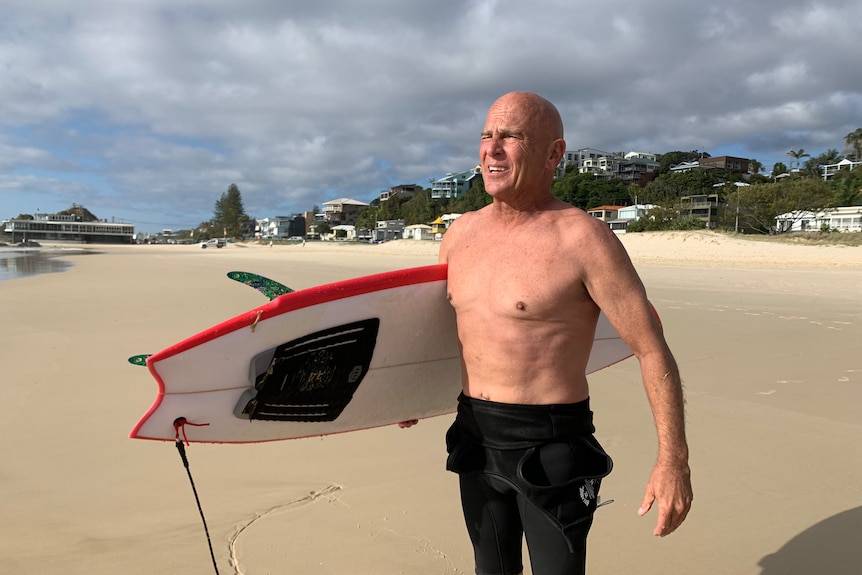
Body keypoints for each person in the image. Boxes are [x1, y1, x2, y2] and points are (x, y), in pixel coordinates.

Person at [408, 92, 692, 575]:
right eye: (486, 135)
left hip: (552, 444)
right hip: (474, 433)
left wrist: (673, 462)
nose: (492, 149)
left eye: (511, 137)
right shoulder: (459, 235)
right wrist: (405, 398)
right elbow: (450, 333)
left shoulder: (583, 239)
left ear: (554, 153)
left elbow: (651, 350)